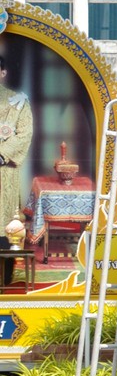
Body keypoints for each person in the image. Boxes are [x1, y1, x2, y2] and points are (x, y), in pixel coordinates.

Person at [0, 55, 33, 240]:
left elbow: (24, 133)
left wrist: (2, 154)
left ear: (3, 73)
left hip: (4, 169)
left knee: (5, 223)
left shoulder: (18, 101)